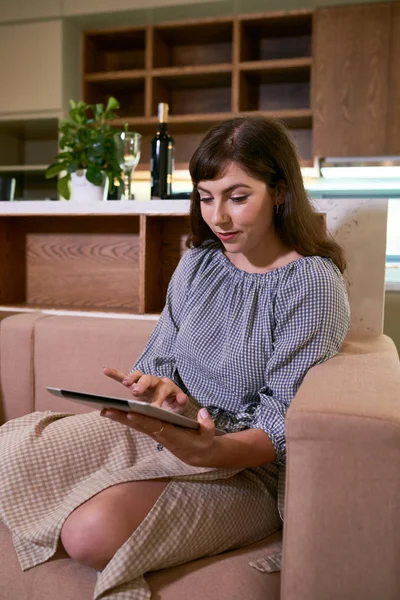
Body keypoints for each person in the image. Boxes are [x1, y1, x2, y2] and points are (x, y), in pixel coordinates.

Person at [0, 116, 350, 599]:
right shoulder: (198, 263)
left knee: (89, 535)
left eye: (238, 197)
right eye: (206, 198)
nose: (218, 217)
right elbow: (162, 358)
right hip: (172, 430)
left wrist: (211, 449)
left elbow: (281, 427)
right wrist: (160, 391)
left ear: (281, 191)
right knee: (10, 452)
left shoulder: (310, 284)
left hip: (246, 466)